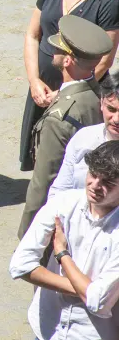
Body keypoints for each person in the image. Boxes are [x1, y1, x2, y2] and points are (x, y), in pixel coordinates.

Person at [19, 0, 119, 172]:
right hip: (43, 86)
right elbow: (33, 36)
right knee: (41, 154)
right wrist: (33, 81)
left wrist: (66, 95)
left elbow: (104, 61)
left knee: (73, 160)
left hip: (80, 92)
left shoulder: (107, 2)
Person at [9, 140, 119, 340]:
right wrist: (85, 289)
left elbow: (98, 303)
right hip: (48, 328)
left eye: (108, 182)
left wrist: (62, 254)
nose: (95, 185)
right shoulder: (65, 203)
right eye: (93, 175)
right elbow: (20, 264)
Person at [18, 15, 113, 237]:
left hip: (65, 222)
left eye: (59, 49)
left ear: (68, 61)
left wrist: (28, 235)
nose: (53, 50)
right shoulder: (100, 97)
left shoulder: (59, 118)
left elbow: (43, 184)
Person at [50, 73, 119, 197]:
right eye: (112, 109)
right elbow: (60, 190)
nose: (116, 119)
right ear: (102, 102)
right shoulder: (84, 138)